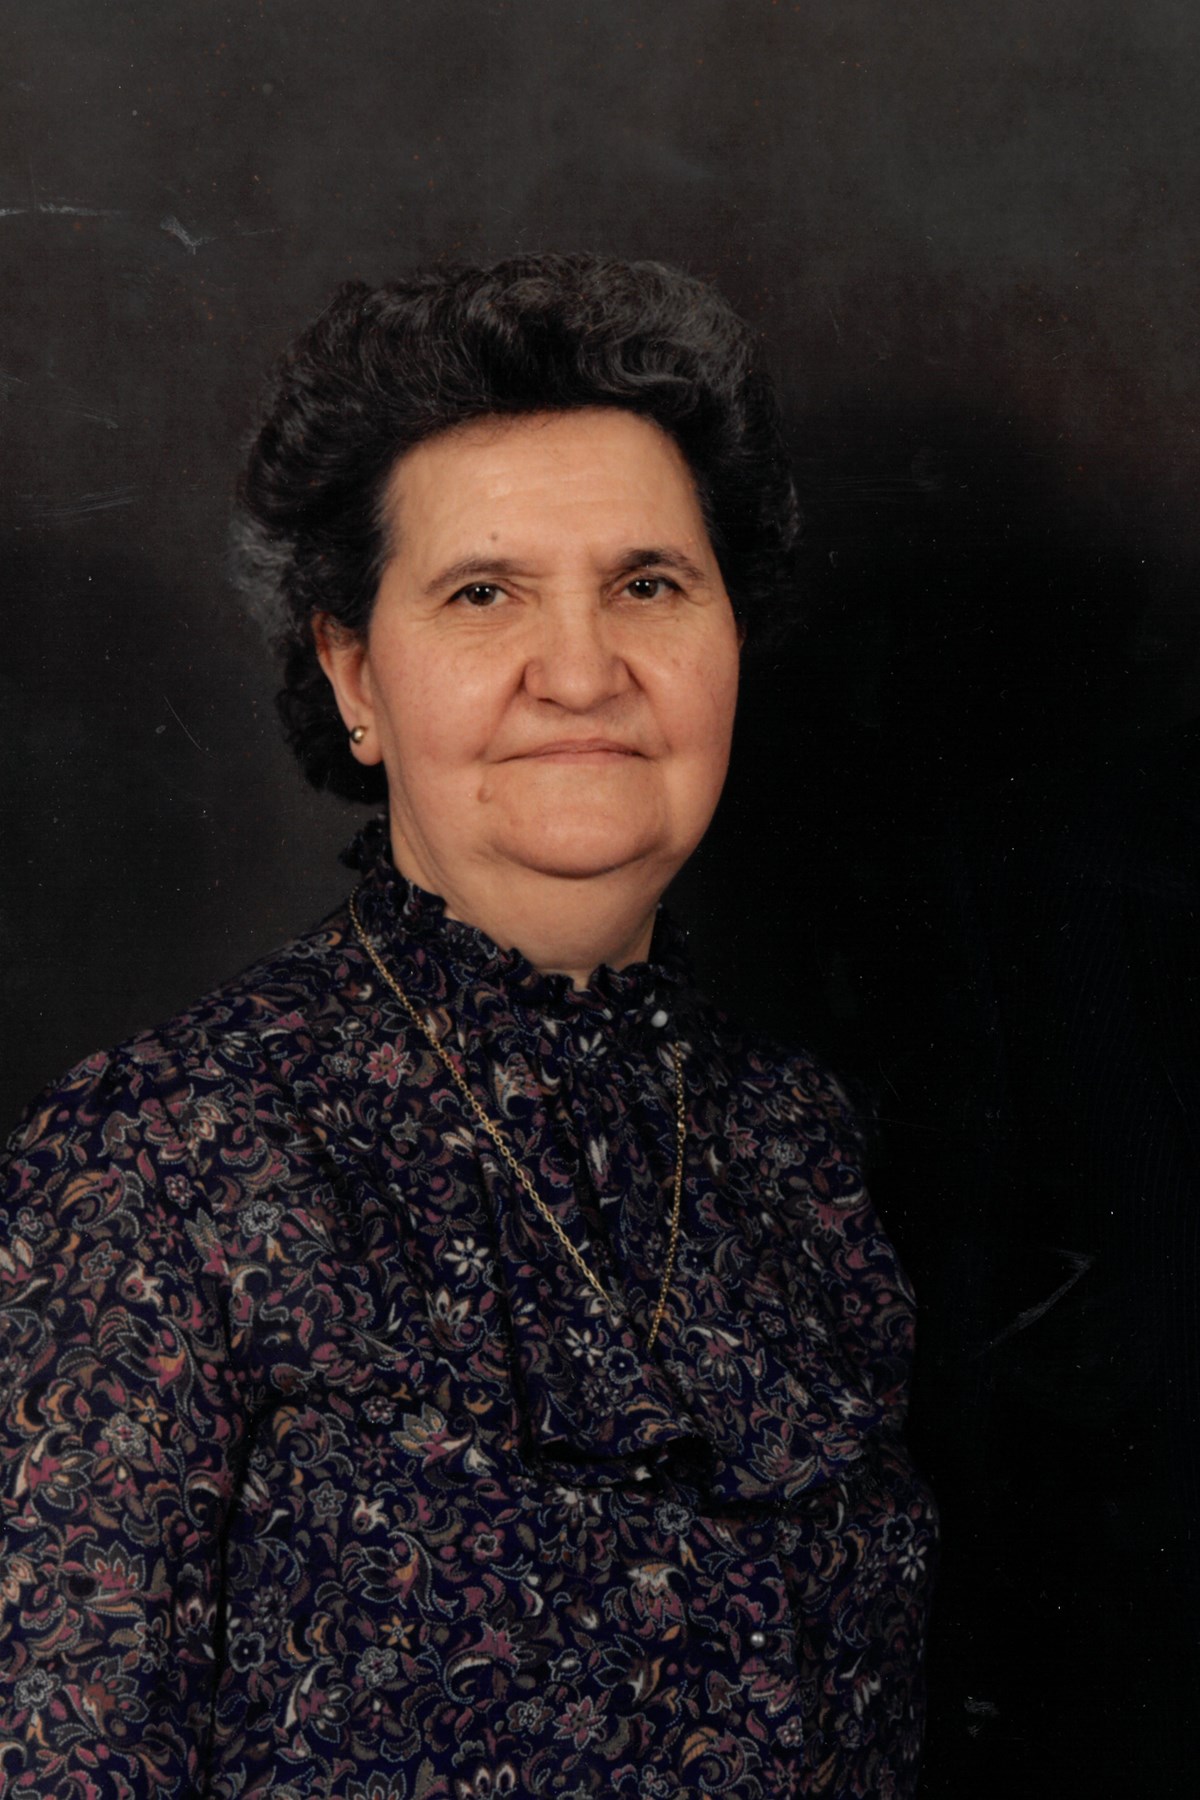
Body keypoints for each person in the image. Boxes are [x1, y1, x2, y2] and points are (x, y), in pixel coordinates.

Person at [0, 254, 935, 1798]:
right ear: (354, 674)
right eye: (484, 593)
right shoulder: (159, 1164)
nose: (581, 672)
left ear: (731, 638)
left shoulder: (801, 1147)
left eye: (649, 584)